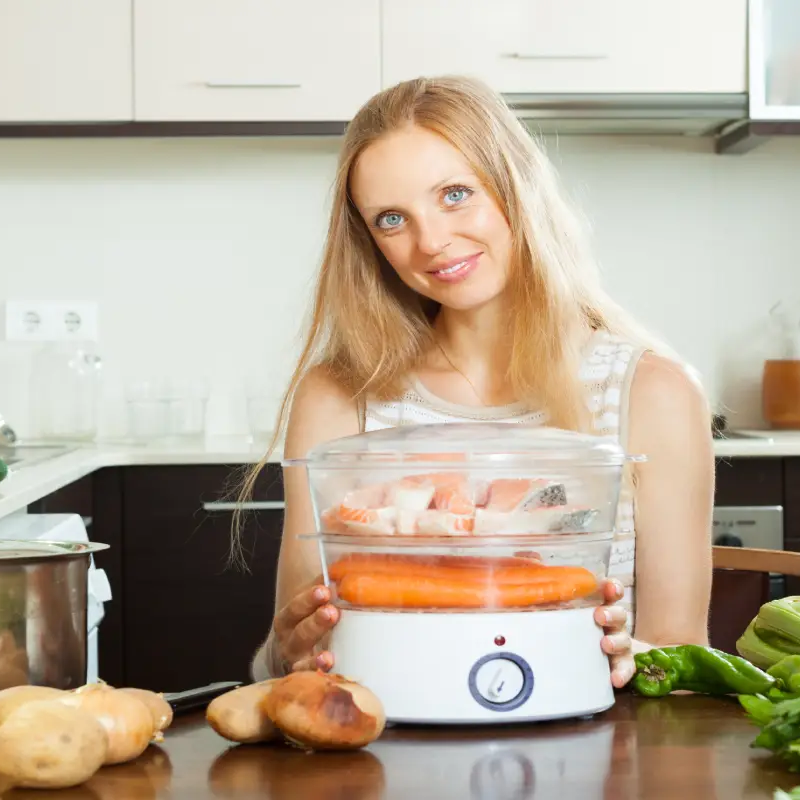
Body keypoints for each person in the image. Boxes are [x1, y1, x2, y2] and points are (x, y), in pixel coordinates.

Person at [240, 75, 715, 690]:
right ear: (369, 241)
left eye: (456, 194)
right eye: (391, 219)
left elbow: (680, 659)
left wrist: (636, 656)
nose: (431, 241)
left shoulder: (652, 393)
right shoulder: (341, 396)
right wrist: (285, 656)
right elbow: (286, 658)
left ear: (516, 189)